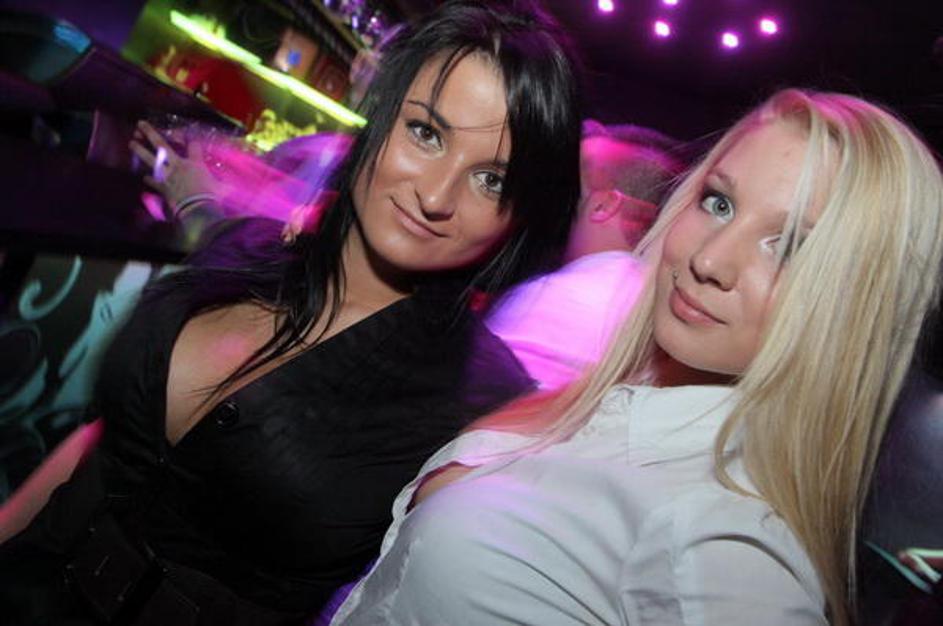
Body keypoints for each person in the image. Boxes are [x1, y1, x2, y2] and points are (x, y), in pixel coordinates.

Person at [0, 1, 582, 623]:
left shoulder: (488, 408)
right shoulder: (244, 247)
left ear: (521, 213)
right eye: (425, 133)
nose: (436, 196)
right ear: (382, 115)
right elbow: (103, 443)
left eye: (492, 180)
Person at [330, 89, 943, 626]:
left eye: (788, 249)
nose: (709, 259)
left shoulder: (726, 536)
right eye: (719, 203)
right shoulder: (626, 403)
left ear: (857, 308)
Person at [485, 121, 685, 388]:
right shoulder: (658, 309)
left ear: (603, 206)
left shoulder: (556, 299)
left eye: (572, 178)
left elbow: (475, 404)